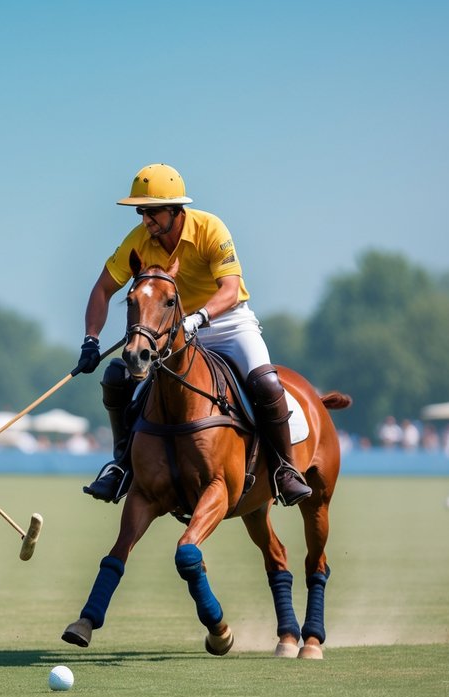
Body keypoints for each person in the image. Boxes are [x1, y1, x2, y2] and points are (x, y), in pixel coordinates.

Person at [71, 163, 312, 507]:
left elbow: (230, 289)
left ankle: (284, 470)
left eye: (152, 211)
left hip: (227, 323)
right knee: (117, 377)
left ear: (175, 210)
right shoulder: (138, 241)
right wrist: (91, 339)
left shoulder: (209, 228)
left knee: (266, 383)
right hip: (173, 333)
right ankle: (121, 465)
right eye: (141, 212)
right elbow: (103, 288)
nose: (145, 220)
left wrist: (199, 317)